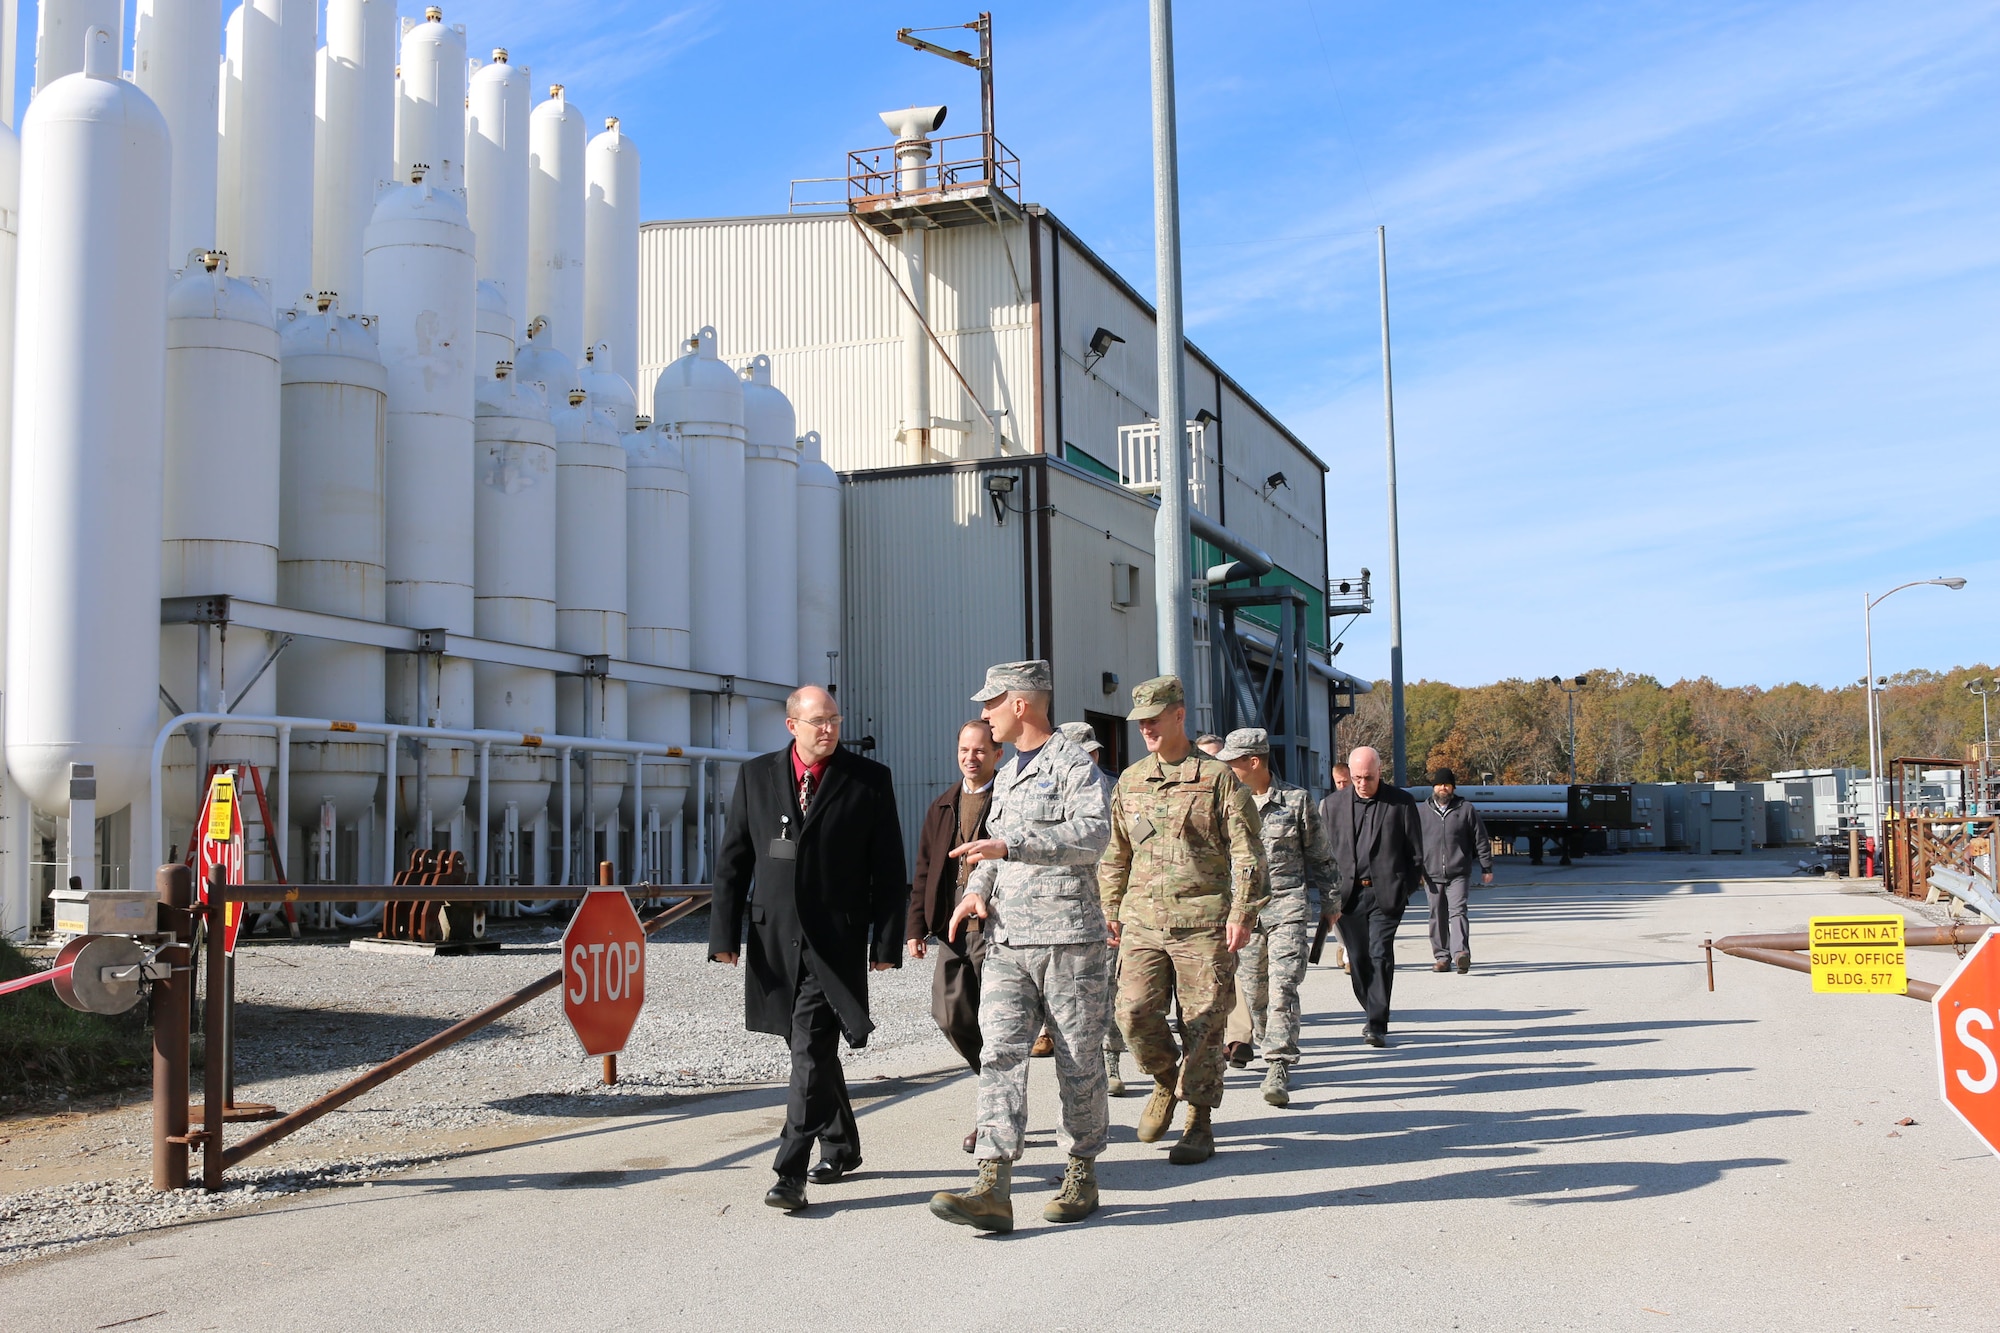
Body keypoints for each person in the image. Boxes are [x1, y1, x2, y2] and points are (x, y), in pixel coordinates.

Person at [929, 662, 1113, 1233]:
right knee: (1000, 1054)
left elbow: (1093, 835)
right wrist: (975, 893)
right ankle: (992, 1182)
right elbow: (992, 850)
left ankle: (1081, 1168)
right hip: (1008, 938)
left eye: (993, 702)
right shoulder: (1007, 775)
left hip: (1067, 940)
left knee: (1078, 1060)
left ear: (1022, 705)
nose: (985, 713)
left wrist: (1012, 846)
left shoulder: (1073, 764)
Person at [708, 684, 907, 1212]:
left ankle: (789, 1168)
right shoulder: (756, 776)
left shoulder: (868, 780)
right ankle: (840, 1145)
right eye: (819, 721)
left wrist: (885, 940)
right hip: (775, 940)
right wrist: (723, 934)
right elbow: (734, 859)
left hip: (834, 942)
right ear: (792, 724)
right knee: (810, 1049)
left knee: (811, 1047)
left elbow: (888, 868)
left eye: (835, 720)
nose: (829, 730)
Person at [1099, 676, 1265, 1166]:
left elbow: (1248, 851)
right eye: (1140, 722)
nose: (1146, 728)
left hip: (1204, 923)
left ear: (1179, 715)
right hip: (1142, 923)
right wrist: (1109, 909)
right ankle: (1165, 1081)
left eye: (1154, 718)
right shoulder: (1130, 781)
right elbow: (1116, 852)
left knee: (1203, 1025)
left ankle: (1199, 1119)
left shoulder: (1216, 778)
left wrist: (1244, 911)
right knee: (1131, 1014)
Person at [1215, 728, 1337, 1106]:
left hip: (1287, 908)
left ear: (1254, 762)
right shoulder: (1227, 806)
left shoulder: (1296, 801)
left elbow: (1320, 855)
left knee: (1283, 986)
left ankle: (1278, 1063)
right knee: (1254, 993)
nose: (1227, 769)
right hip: (1246, 914)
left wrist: (1332, 902)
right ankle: (1270, 1044)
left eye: (1233, 763)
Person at [906, 718, 1001, 1151]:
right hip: (951, 928)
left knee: (995, 1022)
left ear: (998, 754)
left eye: (980, 750)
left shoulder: (1008, 800)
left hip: (997, 928)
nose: (970, 757)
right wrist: (915, 928)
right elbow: (924, 870)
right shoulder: (942, 805)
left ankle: (992, 1115)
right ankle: (996, 1079)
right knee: (948, 1013)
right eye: (964, 750)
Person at [1318, 745, 1424, 1047]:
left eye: (1368, 777)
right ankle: (1372, 1007)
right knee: (1359, 959)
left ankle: (1376, 1023)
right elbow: (1324, 853)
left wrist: (1406, 887)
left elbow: (1415, 852)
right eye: (1357, 778)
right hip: (1348, 896)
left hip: (1386, 894)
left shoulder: (1400, 803)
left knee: (1379, 953)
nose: (1362, 784)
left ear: (1380, 772)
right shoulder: (1333, 805)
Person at [1059, 721, 1127, 1097]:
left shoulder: (1118, 792)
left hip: (1107, 904)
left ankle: (1111, 1061)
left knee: (1108, 987)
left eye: (1092, 752)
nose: (1089, 758)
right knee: (1074, 996)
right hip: (1066, 908)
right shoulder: (1051, 791)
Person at [1420, 767, 1492, 974]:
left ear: (1453, 787)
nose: (1443, 788)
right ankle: (1442, 958)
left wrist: (1486, 866)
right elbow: (1412, 843)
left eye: (1447, 784)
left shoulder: (1466, 809)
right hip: (1431, 873)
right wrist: (1415, 868)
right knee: (1437, 916)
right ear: (1433, 787)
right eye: (1440, 784)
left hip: (1459, 872)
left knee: (1458, 911)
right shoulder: (1422, 811)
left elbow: (1481, 839)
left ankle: (1461, 954)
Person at [1318, 764, 1353, 973]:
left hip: (1355, 865)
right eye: (1338, 782)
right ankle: (1344, 946)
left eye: (1345, 781)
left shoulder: (1357, 802)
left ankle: (1350, 951)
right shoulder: (1327, 805)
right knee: (1337, 911)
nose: (1342, 786)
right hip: (1334, 866)